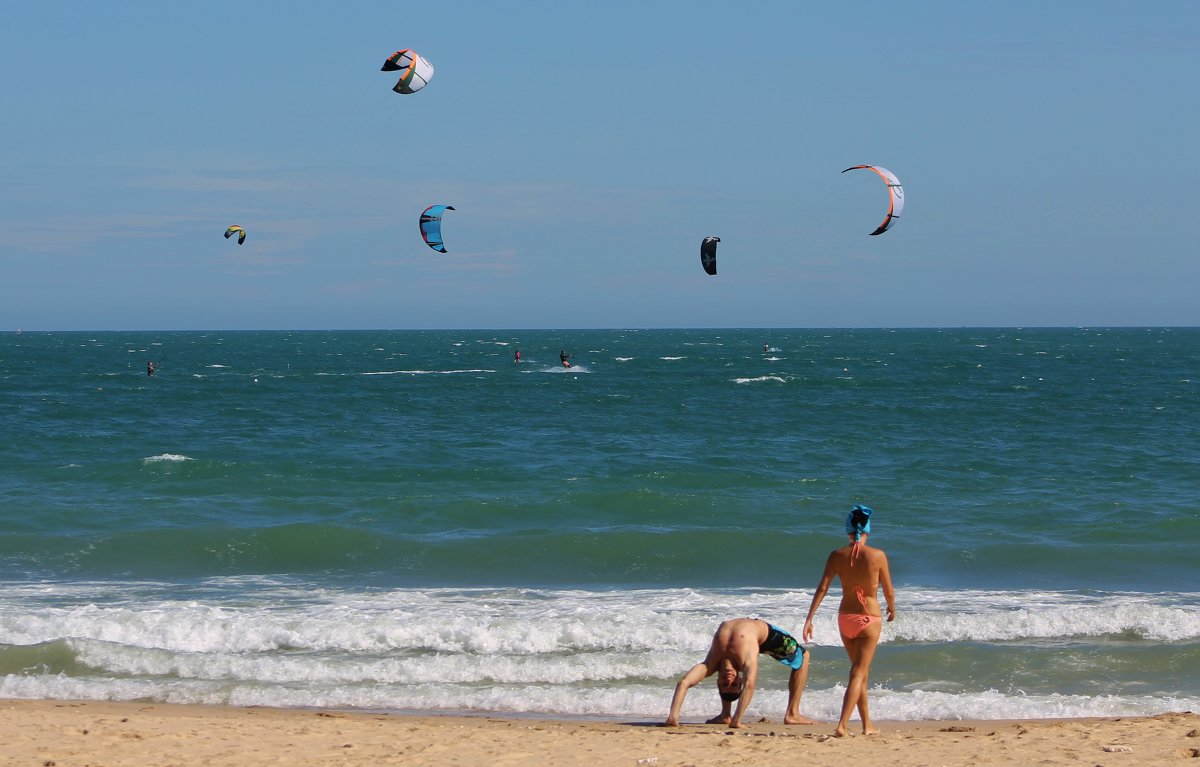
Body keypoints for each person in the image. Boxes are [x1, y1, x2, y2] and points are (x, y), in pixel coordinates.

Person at [802, 504, 895, 737]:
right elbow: (889, 590)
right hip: (869, 618)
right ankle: (842, 725)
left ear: (848, 530)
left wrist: (809, 618)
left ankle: (867, 725)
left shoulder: (836, 555)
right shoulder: (877, 556)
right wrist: (892, 608)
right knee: (858, 673)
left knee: (860, 672)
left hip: (845, 619)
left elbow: (822, 587)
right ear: (868, 530)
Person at [665, 617, 813, 728]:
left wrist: (673, 717)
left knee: (724, 666)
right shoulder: (746, 661)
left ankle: (725, 715)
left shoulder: (709, 665)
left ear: (717, 682)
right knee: (803, 655)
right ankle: (792, 713)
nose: (729, 679)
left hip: (742, 629)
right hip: (765, 635)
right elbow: (749, 685)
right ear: (740, 680)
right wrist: (737, 720)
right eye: (734, 684)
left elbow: (684, 683)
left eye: (724, 683)